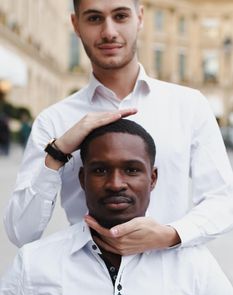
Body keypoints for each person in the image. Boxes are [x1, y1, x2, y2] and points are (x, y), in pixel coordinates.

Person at [4, 0, 233, 252]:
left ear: (140, 18)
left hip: (168, 281)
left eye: (121, 16)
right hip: (84, 280)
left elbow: (223, 200)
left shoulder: (189, 105)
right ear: (75, 24)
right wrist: (58, 152)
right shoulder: (54, 120)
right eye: (94, 18)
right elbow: (20, 232)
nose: (109, 31)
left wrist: (171, 234)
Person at [1, 119, 233, 295]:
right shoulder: (36, 261)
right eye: (100, 170)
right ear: (82, 179)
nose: (115, 184)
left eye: (131, 170)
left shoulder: (193, 264)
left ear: (152, 179)